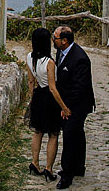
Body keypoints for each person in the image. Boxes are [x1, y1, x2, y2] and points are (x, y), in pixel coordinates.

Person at [53, 25, 95, 189]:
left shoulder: (79, 58)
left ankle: (67, 173)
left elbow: (80, 87)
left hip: (78, 104)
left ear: (64, 41)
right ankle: (79, 167)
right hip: (68, 102)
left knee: (70, 136)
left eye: (55, 37)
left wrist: (66, 107)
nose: (53, 39)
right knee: (77, 133)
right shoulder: (61, 51)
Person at [25, 27, 68, 181]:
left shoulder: (29, 57)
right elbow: (52, 87)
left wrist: (33, 99)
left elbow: (31, 81)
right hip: (49, 98)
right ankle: (48, 169)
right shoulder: (49, 62)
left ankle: (34, 162)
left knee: (38, 131)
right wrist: (64, 107)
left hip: (37, 96)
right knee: (53, 134)